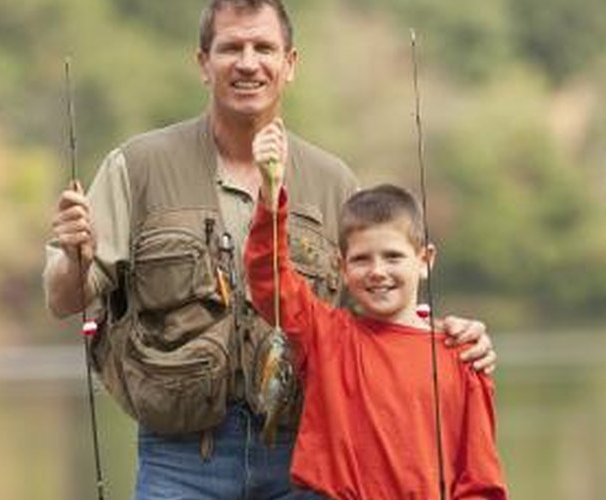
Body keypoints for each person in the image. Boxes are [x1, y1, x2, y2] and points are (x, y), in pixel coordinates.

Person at [44, 0, 497, 498]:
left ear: (289, 64)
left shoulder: (334, 181)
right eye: (231, 48)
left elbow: (372, 319)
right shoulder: (138, 166)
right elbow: (66, 299)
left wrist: (447, 340)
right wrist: (73, 255)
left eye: (264, 48)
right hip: (178, 458)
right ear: (202, 63)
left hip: (303, 457)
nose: (248, 62)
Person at [247, 121, 507, 499]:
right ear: (341, 267)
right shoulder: (326, 335)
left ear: (425, 260)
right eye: (362, 259)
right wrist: (271, 196)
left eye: (393, 257)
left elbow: (482, 480)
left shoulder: (462, 355)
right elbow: (268, 279)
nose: (378, 271)